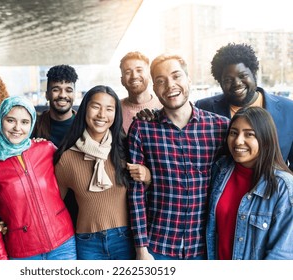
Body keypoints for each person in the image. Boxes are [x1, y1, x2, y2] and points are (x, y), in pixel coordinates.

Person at [127, 54, 229, 260]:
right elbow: (135, 192)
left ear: (189, 79)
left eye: (176, 76)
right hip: (158, 246)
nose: (170, 85)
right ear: (154, 89)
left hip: (205, 246)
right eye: (161, 81)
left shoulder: (220, 127)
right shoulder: (142, 128)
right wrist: (141, 248)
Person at [0, 95, 75, 260]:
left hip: (64, 244)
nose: (17, 128)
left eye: (25, 122)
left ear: (32, 123)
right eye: (10, 120)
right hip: (23, 253)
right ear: (0, 120)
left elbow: (74, 180)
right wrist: (1, 260)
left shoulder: (46, 149)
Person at [53, 85, 135, 260]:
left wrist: (148, 177)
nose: (102, 115)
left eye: (109, 109)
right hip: (87, 242)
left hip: (125, 239)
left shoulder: (126, 150)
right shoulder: (67, 158)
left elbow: (149, 191)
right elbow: (51, 206)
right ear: (85, 109)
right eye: (96, 106)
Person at [206, 106, 293, 260]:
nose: (238, 141)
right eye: (234, 133)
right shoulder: (220, 170)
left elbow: (281, 256)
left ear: (265, 139)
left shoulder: (283, 187)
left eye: (249, 134)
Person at [194, 43, 293, 170]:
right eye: (228, 80)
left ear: (253, 73)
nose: (237, 84)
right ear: (220, 82)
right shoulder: (203, 108)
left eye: (243, 76)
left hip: (274, 187)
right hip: (224, 187)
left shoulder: (288, 109)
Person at [32, 64, 79, 228]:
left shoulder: (86, 126)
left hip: (80, 210)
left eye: (68, 89)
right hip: (44, 210)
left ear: (74, 93)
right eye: (56, 89)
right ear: (47, 94)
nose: (63, 95)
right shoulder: (33, 127)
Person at [119, 51, 162, 134]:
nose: (134, 76)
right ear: (122, 80)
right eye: (128, 72)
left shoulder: (164, 107)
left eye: (139, 70)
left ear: (149, 76)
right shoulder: (115, 108)